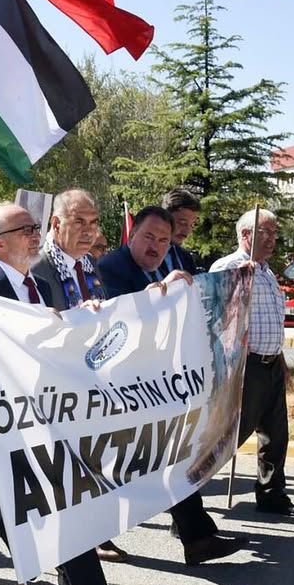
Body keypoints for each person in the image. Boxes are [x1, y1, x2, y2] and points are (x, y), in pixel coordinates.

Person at [0, 203, 158, 585]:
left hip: (40, 424)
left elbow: (55, 346)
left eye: (35, 228)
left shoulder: (40, 285)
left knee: (68, 516)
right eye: (25, 229)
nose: (34, 235)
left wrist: (85, 322)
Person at [98, 207, 250, 565]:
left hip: (155, 387)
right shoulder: (109, 269)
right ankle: (92, 539)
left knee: (171, 457)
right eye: (149, 237)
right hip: (115, 391)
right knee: (111, 466)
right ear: (132, 234)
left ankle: (197, 536)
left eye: (164, 240)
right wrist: (156, 298)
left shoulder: (165, 266)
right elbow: (116, 322)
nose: (156, 246)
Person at [30, 190, 124, 564]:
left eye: (94, 222)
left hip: (89, 391)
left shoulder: (90, 267)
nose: (89, 231)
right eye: (79, 222)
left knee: (89, 476)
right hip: (51, 395)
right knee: (62, 487)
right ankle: (72, 568)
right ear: (56, 223)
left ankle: (89, 545)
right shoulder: (36, 268)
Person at [211, 209, 294, 517]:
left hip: (270, 364)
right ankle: (186, 505)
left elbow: (270, 321)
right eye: (266, 232)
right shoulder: (228, 267)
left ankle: (272, 496)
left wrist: (279, 359)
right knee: (228, 437)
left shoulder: (266, 271)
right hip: (245, 366)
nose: (273, 239)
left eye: (274, 233)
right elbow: (215, 320)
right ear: (246, 235)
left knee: (275, 433)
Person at [159, 189, 202, 275]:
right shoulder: (144, 254)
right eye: (182, 223)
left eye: (192, 224)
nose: (188, 230)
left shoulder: (186, 257)